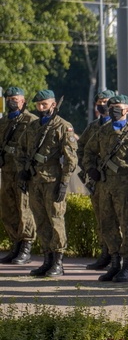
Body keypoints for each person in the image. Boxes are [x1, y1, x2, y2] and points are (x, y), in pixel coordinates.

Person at [82, 94, 128, 282]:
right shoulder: (102, 131)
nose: (114, 111)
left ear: (127, 110)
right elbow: (87, 150)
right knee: (107, 224)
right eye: (111, 107)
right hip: (104, 185)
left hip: (125, 185)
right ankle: (114, 263)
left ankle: (127, 267)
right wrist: (90, 168)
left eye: (118, 108)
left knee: (127, 225)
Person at [16, 90, 77, 278]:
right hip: (35, 180)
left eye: (44, 104)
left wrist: (64, 182)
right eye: (38, 104)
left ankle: (58, 261)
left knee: (56, 220)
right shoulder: (33, 127)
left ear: (53, 105)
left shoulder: (62, 126)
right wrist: (22, 172)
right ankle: (47, 259)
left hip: (53, 180)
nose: (41, 107)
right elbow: (20, 150)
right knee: (40, 221)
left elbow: (71, 159)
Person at [76, 89, 115, 270]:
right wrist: (88, 168)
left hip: (115, 181)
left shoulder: (121, 126)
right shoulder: (92, 127)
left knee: (116, 218)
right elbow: (81, 148)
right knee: (101, 217)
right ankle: (105, 252)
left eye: (106, 101)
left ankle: (118, 255)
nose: (103, 104)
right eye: (100, 101)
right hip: (96, 179)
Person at [0, 87, 37, 266]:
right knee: (8, 209)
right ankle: (15, 244)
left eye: (15, 98)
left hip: (23, 173)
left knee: (24, 209)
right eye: (8, 98)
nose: (11, 101)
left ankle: (26, 247)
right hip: (7, 171)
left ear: (23, 101)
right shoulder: (4, 122)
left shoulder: (31, 121)